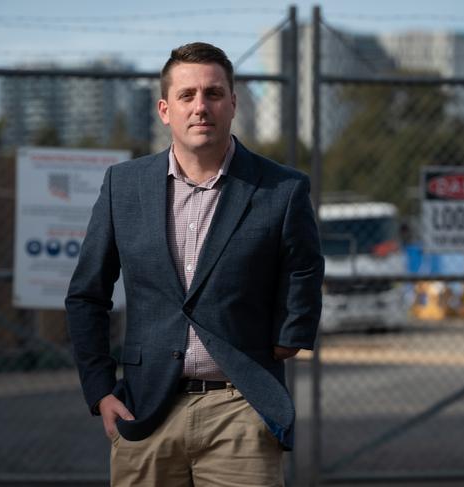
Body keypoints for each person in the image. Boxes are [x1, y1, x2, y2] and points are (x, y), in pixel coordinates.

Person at [66, 41, 324, 486]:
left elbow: (304, 266)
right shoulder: (122, 186)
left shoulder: (281, 189)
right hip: (146, 410)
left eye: (213, 94)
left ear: (233, 104)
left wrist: (291, 334)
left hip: (240, 409)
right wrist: (100, 391)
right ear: (165, 110)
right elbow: (87, 293)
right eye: (187, 96)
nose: (200, 107)